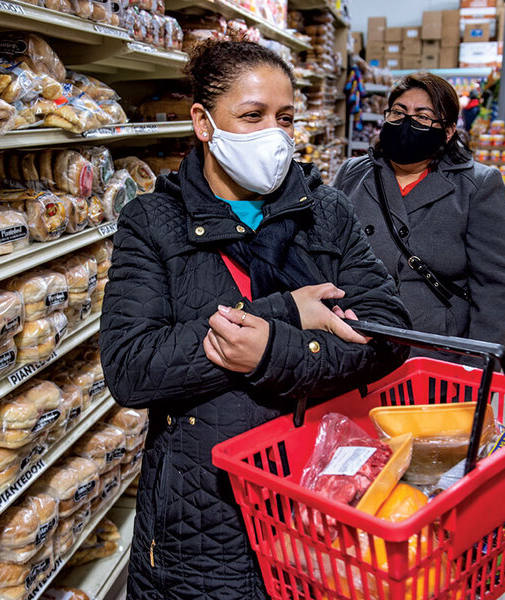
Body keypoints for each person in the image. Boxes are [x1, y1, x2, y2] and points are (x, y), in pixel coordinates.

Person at [100, 40, 411, 600]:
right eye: (253, 116)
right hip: (202, 518)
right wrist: (286, 310)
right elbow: (131, 368)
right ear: (203, 121)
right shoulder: (152, 222)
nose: (275, 134)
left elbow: (386, 328)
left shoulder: (326, 211)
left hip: (321, 497)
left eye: (285, 118)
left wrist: (276, 353)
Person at [334, 72, 505, 358]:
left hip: (434, 349)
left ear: (447, 131)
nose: (407, 122)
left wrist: (476, 370)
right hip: (354, 340)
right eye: (398, 112)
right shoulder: (354, 173)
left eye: (422, 116)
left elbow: (496, 287)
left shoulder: (476, 186)